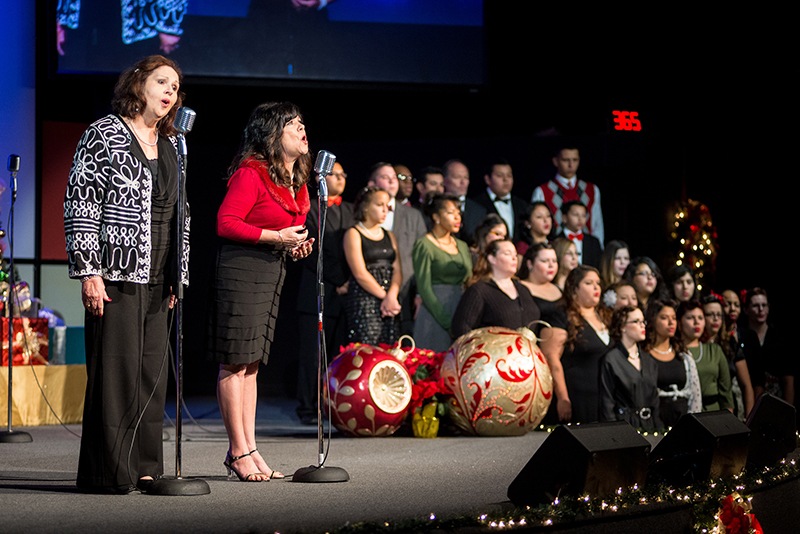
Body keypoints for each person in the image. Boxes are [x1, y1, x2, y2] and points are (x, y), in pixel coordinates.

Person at [64, 55, 187, 494]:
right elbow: (81, 205)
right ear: (139, 84)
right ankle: (110, 471)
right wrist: (88, 272)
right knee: (116, 374)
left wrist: (178, 273)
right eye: (161, 81)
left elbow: (180, 213)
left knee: (152, 373)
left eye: (175, 85)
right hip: (116, 271)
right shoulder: (105, 134)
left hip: (159, 276)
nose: (170, 91)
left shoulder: (173, 144)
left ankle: (146, 465)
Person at [206, 102, 314, 482]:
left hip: (271, 271)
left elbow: (285, 230)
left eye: (303, 125)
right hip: (241, 270)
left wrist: (293, 244)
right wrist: (276, 237)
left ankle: (250, 448)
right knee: (234, 363)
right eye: (294, 125)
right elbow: (226, 222)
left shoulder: (293, 180)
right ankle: (237, 451)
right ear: (273, 133)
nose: (303, 131)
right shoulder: (251, 174)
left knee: (250, 366)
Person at [295, 161, 353, 425]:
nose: (340, 178)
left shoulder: (351, 211)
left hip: (345, 294)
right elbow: (312, 251)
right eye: (335, 174)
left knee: (337, 353)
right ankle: (308, 408)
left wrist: (346, 282)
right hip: (316, 291)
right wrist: (338, 280)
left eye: (343, 174)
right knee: (312, 356)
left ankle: (335, 405)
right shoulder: (309, 209)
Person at [539, 265, 612, 424]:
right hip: (577, 398)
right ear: (574, 289)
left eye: (598, 283)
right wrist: (563, 398)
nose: (596, 287)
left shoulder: (605, 316)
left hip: (604, 400)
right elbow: (551, 358)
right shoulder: (561, 316)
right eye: (588, 283)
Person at [367, 163, 427, 335]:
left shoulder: (413, 215)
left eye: (394, 177)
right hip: (370, 294)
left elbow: (421, 257)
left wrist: (419, 293)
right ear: (372, 184)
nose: (393, 181)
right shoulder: (362, 214)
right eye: (386, 177)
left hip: (406, 294)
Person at [411, 192, 472, 352]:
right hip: (435, 313)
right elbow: (424, 289)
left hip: (461, 306)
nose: (457, 217)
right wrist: (447, 322)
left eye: (458, 212)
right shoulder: (424, 244)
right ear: (436, 217)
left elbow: (469, 279)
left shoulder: (462, 245)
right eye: (451, 213)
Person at [343, 186, 403, 345]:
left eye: (387, 206)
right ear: (366, 206)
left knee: (390, 348)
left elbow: (397, 269)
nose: (386, 210)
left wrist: (392, 296)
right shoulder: (353, 233)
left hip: (390, 301)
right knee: (367, 348)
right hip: (365, 299)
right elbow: (360, 273)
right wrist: (386, 297)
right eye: (380, 205)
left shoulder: (389, 235)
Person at [451, 239, 540, 338]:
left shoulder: (523, 289)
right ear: (492, 259)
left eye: (515, 254)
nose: (514, 258)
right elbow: (461, 328)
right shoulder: (479, 290)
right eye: (507, 254)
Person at [600, 306, 662, 430]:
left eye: (643, 321)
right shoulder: (611, 360)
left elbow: (655, 402)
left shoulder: (649, 361)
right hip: (624, 428)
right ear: (622, 327)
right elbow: (607, 403)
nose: (642, 325)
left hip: (649, 428)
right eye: (636, 321)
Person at [643, 299, 702, 427]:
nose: (671, 323)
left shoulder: (683, 354)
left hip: (683, 423)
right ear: (653, 321)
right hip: (655, 423)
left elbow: (695, 394)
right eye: (664, 318)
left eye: (674, 318)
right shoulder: (643, 356)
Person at [531, 146, 604, 243]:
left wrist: (598, 249)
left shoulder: (591, 190)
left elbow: (597, 225)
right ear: (555, 161)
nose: (571, 165)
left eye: (575, 160)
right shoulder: (542, 191)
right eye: (566, 160)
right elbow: (536, 225)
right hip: (553, 249)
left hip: (586, 249)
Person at [701, 294, 754, 420]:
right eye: (710, 315)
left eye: (719, 315)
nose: (715, 319)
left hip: (729, 407)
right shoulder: (696, 346)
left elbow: (746, 386)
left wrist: (750, 420)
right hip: (703, 408)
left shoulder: (730, 344)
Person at [677, 300, 733, 412]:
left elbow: (726, 394)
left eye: (700, 318)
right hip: (683, 414)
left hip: (714, 413)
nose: (696, 322)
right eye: (690, 318)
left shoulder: (714, 350)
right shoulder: (674, 353)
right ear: (679, 323)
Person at [740, 288, 793, 405]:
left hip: (775, 400)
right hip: (747, 400)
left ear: (768, 308)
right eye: (755, 305)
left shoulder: (778, 338)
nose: (760, 310)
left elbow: (788, 380)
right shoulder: (741, 337)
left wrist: (788, 412)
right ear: (745, 309)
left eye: (764, 305)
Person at [473, 158, 530, 242]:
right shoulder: (476, 204)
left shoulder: (522, 205)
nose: (505, 180)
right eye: (500, 175)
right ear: (487, 179)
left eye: (509, 176)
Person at [517, 242, 562, 325]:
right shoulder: (518, 288)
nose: (551, 265)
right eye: (544, 261)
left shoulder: (559, 289)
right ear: (530, 264)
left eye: (554, 261)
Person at [442, 159, 485, 242]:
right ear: (444, 180)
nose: (463, 182)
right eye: (457, 177)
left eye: (466, 178)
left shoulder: (479, 211)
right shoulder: (437, 207)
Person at [555, 200, 602, 267]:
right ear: (564, 218)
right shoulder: (556, 240)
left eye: (583, 215)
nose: (580, 219)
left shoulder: (593, 242)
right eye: (575, 215)